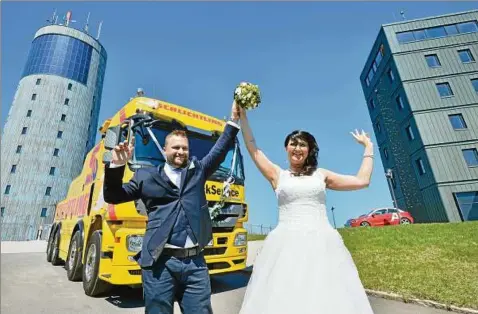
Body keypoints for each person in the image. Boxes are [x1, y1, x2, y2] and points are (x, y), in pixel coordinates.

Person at [103, 101, 241, 314]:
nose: (180, 151)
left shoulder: (198, 172)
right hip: (160, 264)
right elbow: (113, 196)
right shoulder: (146, 177)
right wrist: (117, 167)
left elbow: (220, 148)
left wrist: (234, 119)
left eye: (184, 148)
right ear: (165, 149)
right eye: (176, 147)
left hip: (195, 264)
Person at [238, 106, 375, 314]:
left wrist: (368, 147)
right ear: (286, 148)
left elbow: (361, 181)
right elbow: (252, 147)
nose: (297, 148)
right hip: (285, 245)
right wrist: (243, 116)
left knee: (325, 298)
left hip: (322, 244)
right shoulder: (277, 175)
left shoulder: (321, 174)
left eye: (303, 145)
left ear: (309, 150)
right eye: (293, 143)